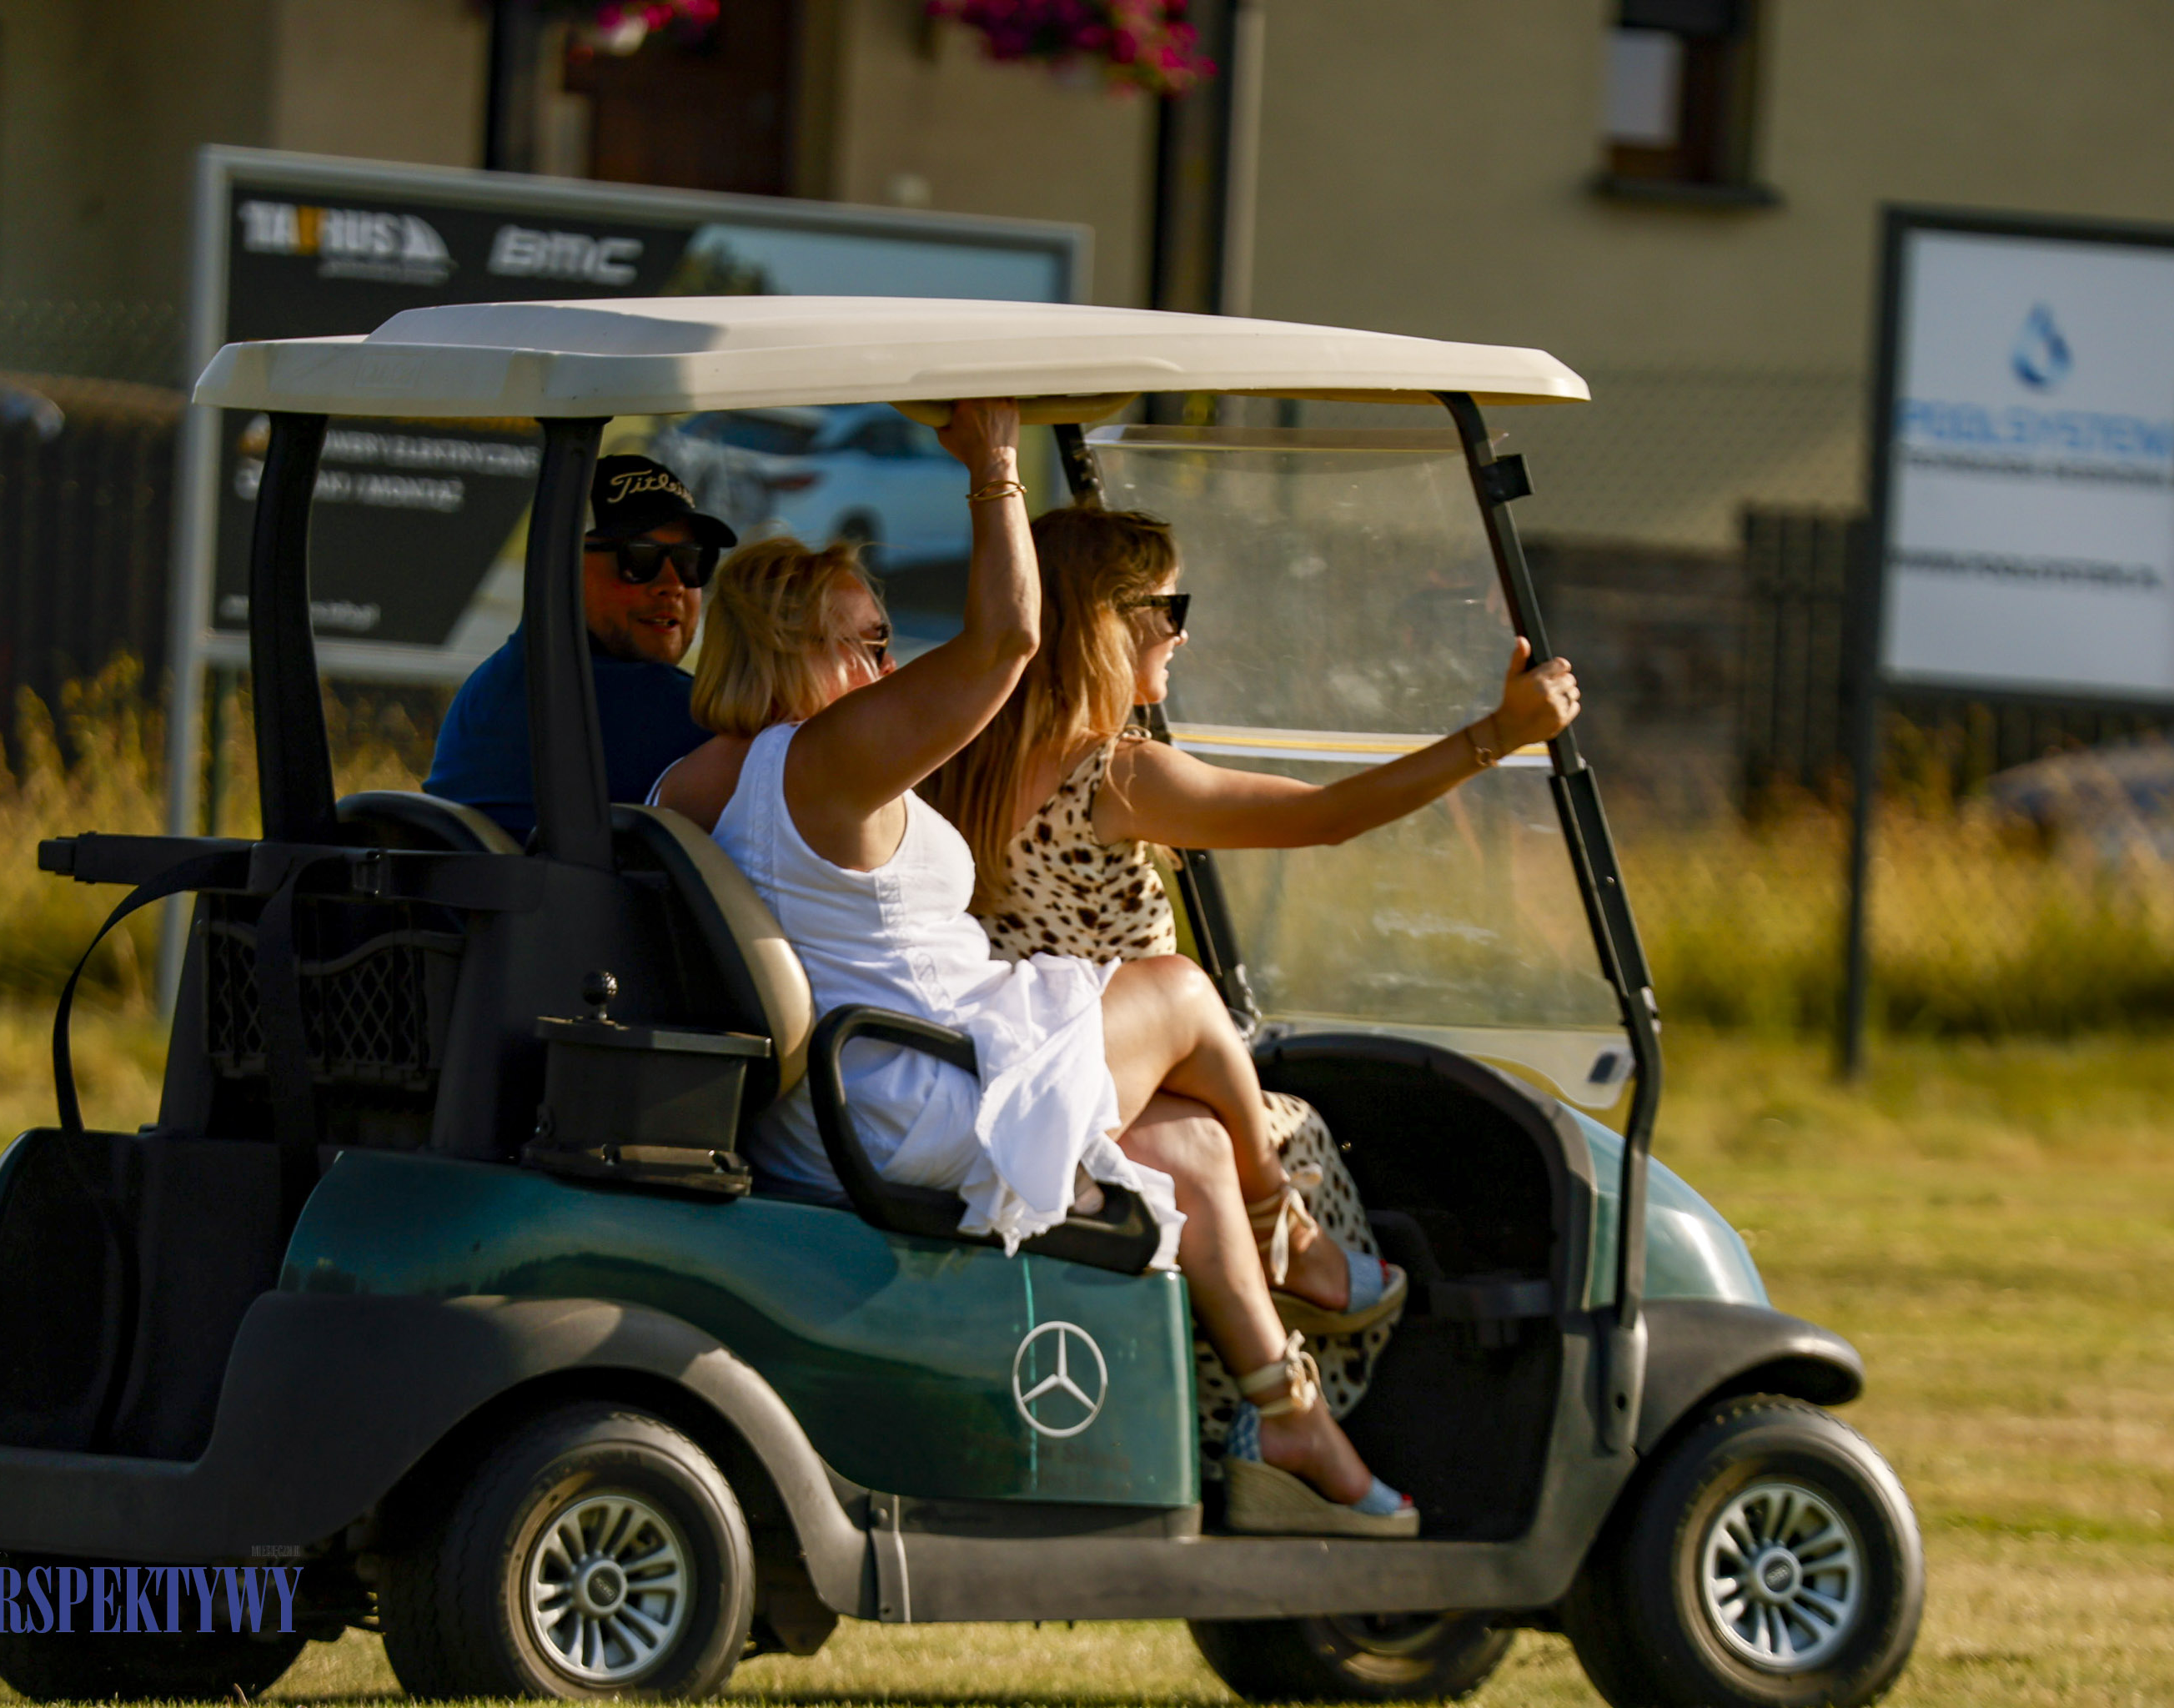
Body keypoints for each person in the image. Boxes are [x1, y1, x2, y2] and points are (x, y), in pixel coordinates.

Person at [654, 401, 1414, 1540]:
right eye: (864, 642)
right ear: (791, 653)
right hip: (927, 1093)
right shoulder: (822, 761)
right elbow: (1010, 644)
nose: (886, 662)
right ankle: (1293, 1235)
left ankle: (1286, 1419)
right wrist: (994, 470)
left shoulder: (694, 782)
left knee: (1192, 1142)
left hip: (861, 1091)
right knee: (1183, 993)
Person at [920, 502, 1584, 1450]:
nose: (1183, 629)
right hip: (1101, 1068)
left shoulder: (958, 760)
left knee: (1194, 1141)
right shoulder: (1118, 774)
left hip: (1030, 1076)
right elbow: (1328, 817)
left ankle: (1287, 1426)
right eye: (1168, 605)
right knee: (1284, 1122)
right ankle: (1304, 1269)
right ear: (1107, 621)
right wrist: (1494, 736)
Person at [424, 455, 736, 839]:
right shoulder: (652, 702)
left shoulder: (495, 683)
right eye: (639, 558)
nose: (672, 583)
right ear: (562, 567)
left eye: (692, 560)